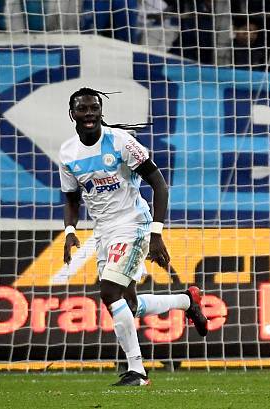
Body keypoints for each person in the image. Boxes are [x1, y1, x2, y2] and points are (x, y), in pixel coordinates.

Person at [59, 88, 208, 386]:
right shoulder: (68, 153)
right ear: (72, 114)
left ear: (101, 111)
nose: (89, 114)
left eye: (94, 108)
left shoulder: (121, 142)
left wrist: (156, 232)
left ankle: (137, 371)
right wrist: (70, 231)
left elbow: (159, 184)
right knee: (130, 304)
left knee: (109, 292)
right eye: (83, 109)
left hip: (134, 224)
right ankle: (186, 301)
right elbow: (72, 197)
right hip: (103, 231)